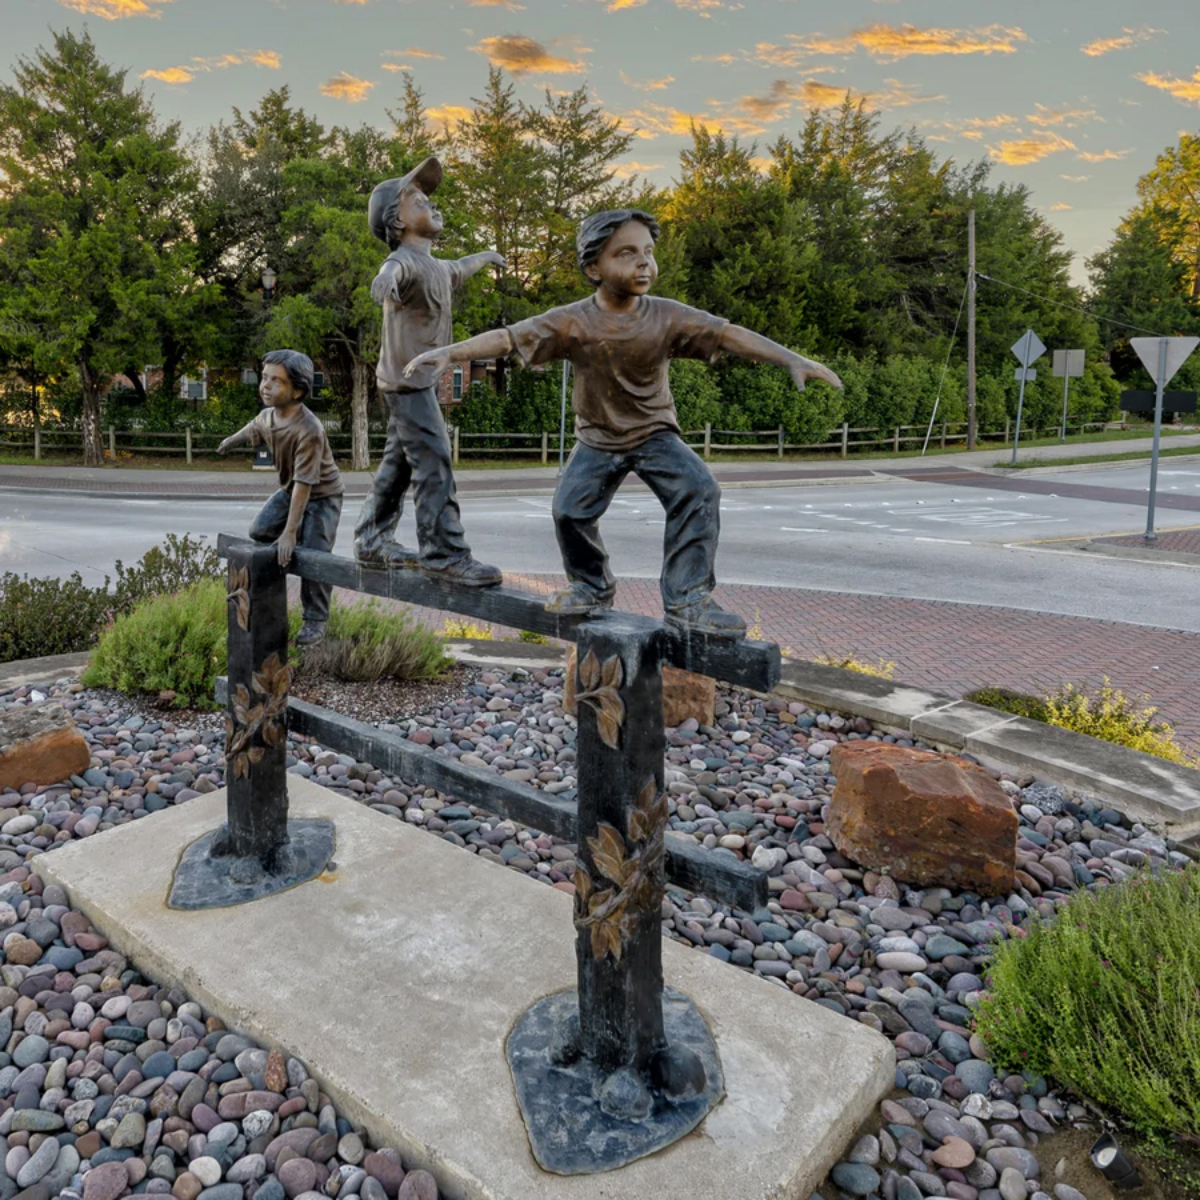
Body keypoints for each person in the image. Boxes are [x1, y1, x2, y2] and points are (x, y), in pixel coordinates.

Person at [403, 208, 842, 639]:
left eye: (648, 252)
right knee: (569, 512)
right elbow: (510, 337)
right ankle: (591, 586)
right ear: (594, 267)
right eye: (626, 253)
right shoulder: (572, 321)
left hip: (654, 435)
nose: (643, 263)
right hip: (596, 440)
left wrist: (791, 358)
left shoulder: (668, 315)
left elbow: (727, 334)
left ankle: (689, 598)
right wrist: (451, 353)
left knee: (698, 489)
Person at [355, 156, 503, 587]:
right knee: (435, 459)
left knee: (398, 465)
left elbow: (460, 268)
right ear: (396, 222)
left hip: (413, 381)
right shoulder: (404, 263)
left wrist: (487, 256)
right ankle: (444, 553)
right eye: (418, 200)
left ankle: (371, 539)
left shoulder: (436, 266)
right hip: (406, 382)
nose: (432, 205)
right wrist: (384, 278)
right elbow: (393, 269)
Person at [218, 349, 343, 646]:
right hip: (291, 491)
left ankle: (315, 619)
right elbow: (253, 428)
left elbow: (305, 483)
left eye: (277, 381)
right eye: (265, 378)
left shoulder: (309, 429)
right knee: (259, 531)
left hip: (322, 496)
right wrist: (230, 442)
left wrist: (289, 532)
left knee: (315, 557)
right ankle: (295, 531)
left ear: (298, 390)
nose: (266, 385)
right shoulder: (267, 417)